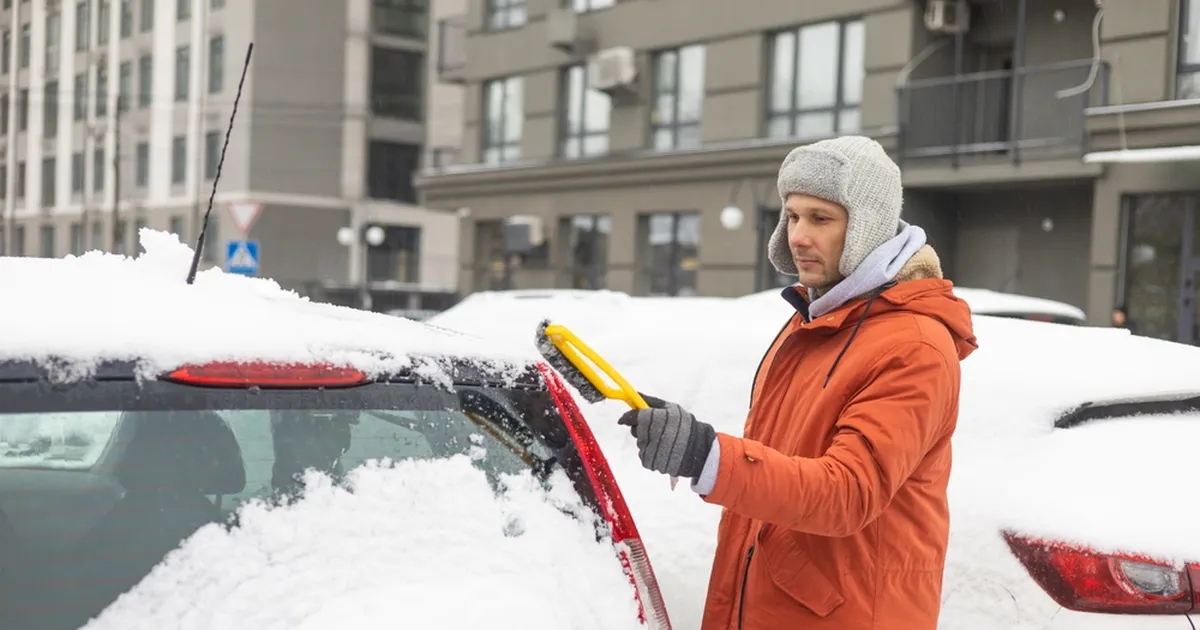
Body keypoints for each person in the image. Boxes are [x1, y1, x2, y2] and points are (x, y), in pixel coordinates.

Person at [617, 135, 979, 629]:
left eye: (821, 219)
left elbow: (849, 492)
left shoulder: (914, 346)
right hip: (769, 606)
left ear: (867, 227)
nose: (799, 236)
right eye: (792, 216)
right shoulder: (816, 317)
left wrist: (706, 458)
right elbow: (783, 458)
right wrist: (688, 439)